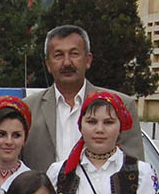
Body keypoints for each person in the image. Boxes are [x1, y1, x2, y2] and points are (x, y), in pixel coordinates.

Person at [22, 25, 143, 175]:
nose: (67, 62)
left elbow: (134, 170)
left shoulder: (121, 105)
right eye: (58, 55)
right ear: (48, 64)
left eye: (74, 54)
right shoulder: (28, 109)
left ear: (88, 60)